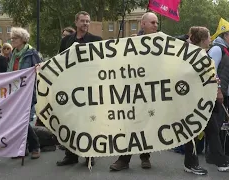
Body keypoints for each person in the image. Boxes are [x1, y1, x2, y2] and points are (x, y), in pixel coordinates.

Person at [109, 12, 158, 171]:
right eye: (152, 22)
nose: (155, 26)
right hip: (132, 91)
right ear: (142, 24)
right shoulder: (131, 42)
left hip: (150, 91)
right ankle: (124, 159)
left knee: (147, 124)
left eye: (157, 23)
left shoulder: (160, 42)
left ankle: (145, 156)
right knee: (129, 124)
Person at [56, 11, 102, 167]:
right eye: (83, 21)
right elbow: (58, 63)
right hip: (71, 87)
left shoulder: (96, 41)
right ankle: (71, 155)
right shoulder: (66, 41)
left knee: (88, 121)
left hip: (88, 87)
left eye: (88, 21)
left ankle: (89, 154)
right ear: (76, 22)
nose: (86, 24)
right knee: (71, 121)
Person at [205, 18, 229, 170]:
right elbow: (210, 71)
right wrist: (218, 91)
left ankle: (212, 156)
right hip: (215, 95)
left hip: (222, 94)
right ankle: (218, 159)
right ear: (225, 35)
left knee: (215, 127)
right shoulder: (217, 49)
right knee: (214, 127)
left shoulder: (226, 50)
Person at [7, 27, 42, 159]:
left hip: (27, 92)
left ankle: (35, 146)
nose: (12, 40)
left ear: (22, 40)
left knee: (23, 120)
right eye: (12, 38)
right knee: (16, 119)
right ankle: (23, 148)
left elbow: (39, 70)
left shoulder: (31, 53)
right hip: (14, 91)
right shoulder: (13, 54)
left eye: (15, 38)